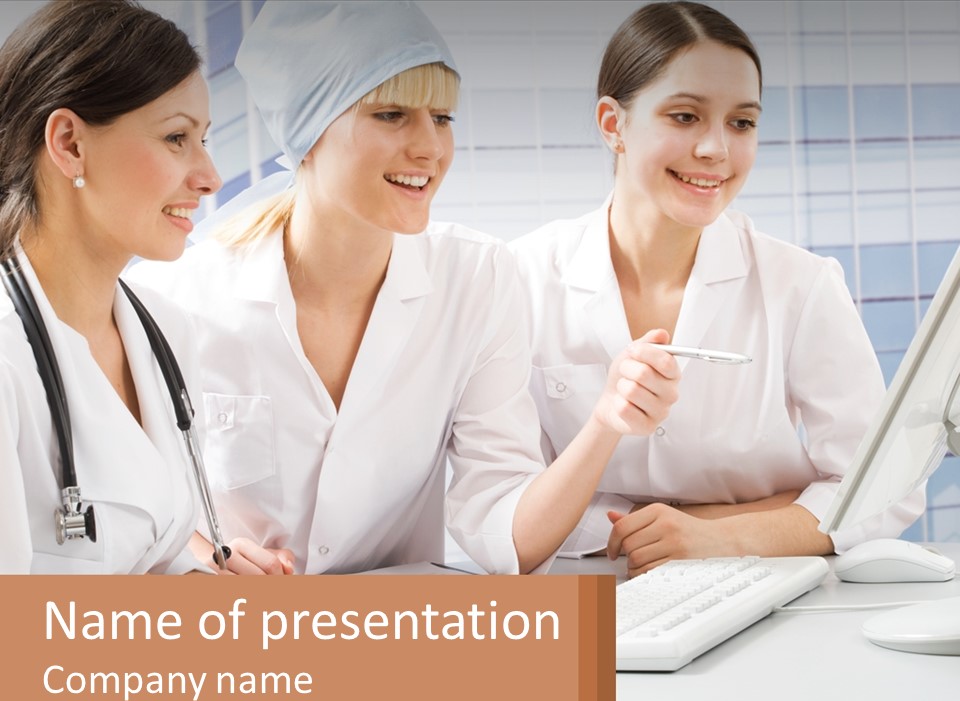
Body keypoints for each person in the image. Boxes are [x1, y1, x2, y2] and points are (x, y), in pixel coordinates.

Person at [129, 0, 680, 576]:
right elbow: (133, 511)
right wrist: (203, 556)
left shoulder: (476, 279)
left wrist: (605, 423)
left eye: (442, 118)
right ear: (308, 131)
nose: (430, 148)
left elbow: (507, 537)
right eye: (392, 115)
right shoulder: (173, 296)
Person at [510, 1, 925, 577]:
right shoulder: (520, 279)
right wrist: (669, 525)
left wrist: (721, 534)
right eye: (684, 117)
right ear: (614, 125)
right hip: (583, 585)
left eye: (742, 122)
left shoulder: (800, 286)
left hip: (760, 579)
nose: (716, 150)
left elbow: (882, 487)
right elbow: (503, 504)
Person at [0, 0, 223, 573]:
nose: (208, 177)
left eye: (204, 140)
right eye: (177, 138)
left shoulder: (165, 331)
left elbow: (152, 557)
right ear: (70, 144)